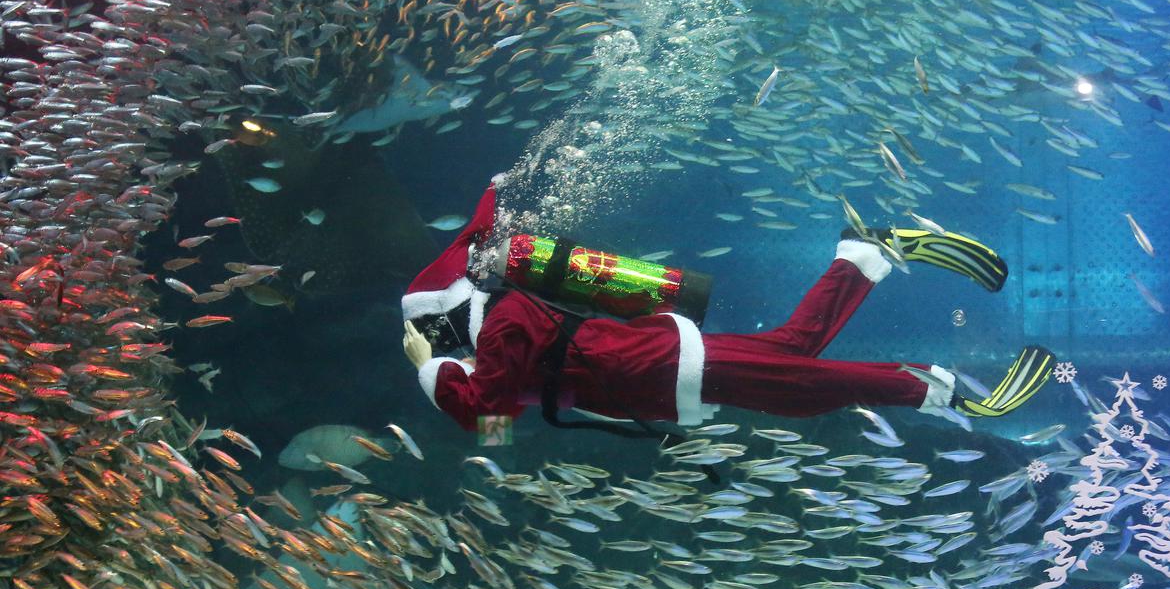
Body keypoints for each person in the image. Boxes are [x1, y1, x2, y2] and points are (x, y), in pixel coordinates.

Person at [401, 179, 1053, 434]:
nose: (445, 344)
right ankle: (864, 253)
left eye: (437, 333)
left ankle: (948, 395)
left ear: (450, 325)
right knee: (795, 349)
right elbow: (472, 242)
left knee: (798, 389)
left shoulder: (503, 331)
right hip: (662, 360)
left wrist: (429, 367)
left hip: (661, 370)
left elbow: (482, 406)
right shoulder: (507, 323)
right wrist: (484, 203)